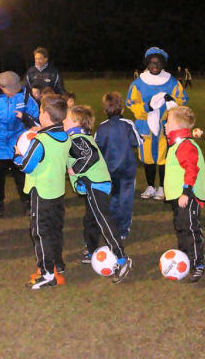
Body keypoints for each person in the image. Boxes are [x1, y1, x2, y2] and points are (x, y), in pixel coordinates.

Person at [65, 104, 133, 284]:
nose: (63, 121)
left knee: (103, 220)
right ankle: (91, 248)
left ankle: (121, 258)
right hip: (93, 185)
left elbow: (91, 155)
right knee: (91, 219)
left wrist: (75, 169)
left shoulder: (77, 138)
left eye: (66, 119)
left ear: (76, 122)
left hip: (95, 184)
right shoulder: (80, 136)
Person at [14, 95, 70, 289]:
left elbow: (27, 166)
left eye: (39, 112)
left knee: (40, 233)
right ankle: (58, 264)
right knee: (55, 229)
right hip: (58, 192)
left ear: (46, 115)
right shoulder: (65, 137)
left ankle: (47, 274)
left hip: (42, 193)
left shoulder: (40, 142)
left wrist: (18, 155)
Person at [126, 46, 188, 200]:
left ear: (163, 64)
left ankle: (162, 187)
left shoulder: (172, 81)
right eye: (151, 63)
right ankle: (150, 186)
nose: (154, 66)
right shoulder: (139, 83)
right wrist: (147, 108)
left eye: (158, 63)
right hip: (145, 126)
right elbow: (131, 103)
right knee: (148, 158)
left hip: (166, 126)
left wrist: (171, 102)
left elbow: (183, 99)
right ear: (146, 63)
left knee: (163, 158)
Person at [0, 71, 39, 217]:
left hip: (18, 141)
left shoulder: (25, 94)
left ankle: (27, 201)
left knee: (22, 175)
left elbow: (36, 116)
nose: (14, 93)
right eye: (10, 90)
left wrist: (27, 123)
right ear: (1, 87)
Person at [163, 106, 205, 282]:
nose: (164, 124)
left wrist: (186, 192)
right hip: (178, 196)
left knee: (190, 228)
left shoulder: (185, 145)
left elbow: (191, 169)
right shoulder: (178, 142)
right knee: (181, 226)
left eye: (167, 121)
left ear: (175, 124)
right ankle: (184, 256)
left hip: (186, 196)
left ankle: (198, 264)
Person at [95, 92, 141, 240]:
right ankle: (123, 230)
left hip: (109, 171)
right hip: (127, 170)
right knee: (126, 199)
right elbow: (137, 142)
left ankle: (113, 227)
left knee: (114, 197)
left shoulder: (101, 128)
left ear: (104, 111)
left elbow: (96, 148)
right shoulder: (128, 124)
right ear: (122, 110)